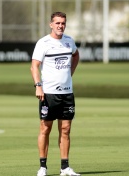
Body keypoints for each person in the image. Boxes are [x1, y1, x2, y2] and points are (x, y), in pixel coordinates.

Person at [30, 12, 81, 176]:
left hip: (67, 93)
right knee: (45, 128)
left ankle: (65, 167)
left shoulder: (69, 41)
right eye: (57, 23)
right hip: (49, 94)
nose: (60, 26)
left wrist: (70, 72)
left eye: (63, 23)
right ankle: (42, 167)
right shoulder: (43, 43)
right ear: (51, 24)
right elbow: (34, 66)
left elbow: (76, 55)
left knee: (65, 129)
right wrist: (38, 86)